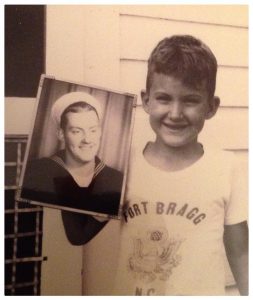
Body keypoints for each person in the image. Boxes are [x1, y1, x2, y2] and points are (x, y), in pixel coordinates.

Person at [110, 35, 248, 295]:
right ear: (146, 100)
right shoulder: (121, 164)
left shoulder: (227, 168)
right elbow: (79, 231)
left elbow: (241, 252)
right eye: (164, 98)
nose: (175, 113)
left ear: (211, 106)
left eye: (190, 100)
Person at [21, 91, 123, 244]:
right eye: (76, 131)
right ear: (61, 134)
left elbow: (79, 236)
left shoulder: (116, 179)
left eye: (93, 130)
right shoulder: (40, 171)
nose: (87, 139)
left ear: (100, 132)